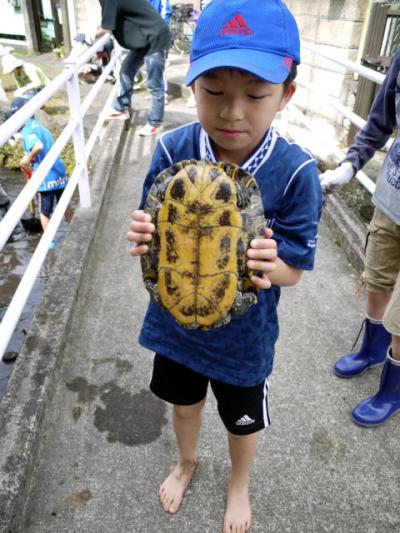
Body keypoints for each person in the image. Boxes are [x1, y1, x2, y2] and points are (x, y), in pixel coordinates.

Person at [126, 1, 322, 531]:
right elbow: (151, 226)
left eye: (256, 95)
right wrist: (143, 233)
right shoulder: (171, 147)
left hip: (244, 339)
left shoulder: (297, 172)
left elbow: (295, 269)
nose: (232, 112)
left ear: (286, 94)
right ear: (191, 87)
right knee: (183, 404)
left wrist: (271, 264)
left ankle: (239, 484)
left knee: (241, 420)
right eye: (213, 91)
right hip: (173, 323)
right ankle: (186, 460)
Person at [320, 51, 400, 427]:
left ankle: (393, 390)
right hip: (391, 201)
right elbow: (381, 120)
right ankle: (372, 349)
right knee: (377, 280)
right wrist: (350, 166)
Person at [5, 98, 73, 242]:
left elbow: (38, 146)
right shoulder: (39, 126)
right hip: (58, 171)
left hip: (46, 177)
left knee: (44, 213)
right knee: (65, 204)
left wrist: (27, 158)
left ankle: (50, 245)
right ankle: (74, 234)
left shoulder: (27, 131)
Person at [96, 0, 171, 125]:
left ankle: (155, 123)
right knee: (126, 70)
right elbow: (108, 20)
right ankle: (121, 108)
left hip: (155, 38)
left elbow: (107, 27)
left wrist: (89, 35)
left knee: (154, 84)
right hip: (145, 38)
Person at [137, 0, 172, 136]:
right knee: (152, 81)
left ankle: (155, 123)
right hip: (144, 42)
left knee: (156, 84)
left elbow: (166, 15)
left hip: (156, 43)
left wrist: (154, 35)